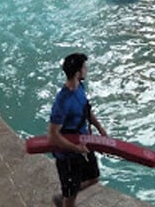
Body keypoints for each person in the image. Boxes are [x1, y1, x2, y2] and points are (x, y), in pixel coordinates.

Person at [48, 53, 108, 207]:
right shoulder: (62, 102)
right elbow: (53, 136)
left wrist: (100, 128)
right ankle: (67, 197)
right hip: (68, 155)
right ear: (77, 73)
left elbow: (85, 110)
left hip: (84, 142)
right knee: (71, 197)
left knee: (94, 177)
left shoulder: (80, 87)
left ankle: (64, 196)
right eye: (84, 67)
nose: (86, 70)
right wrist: (76, 148)